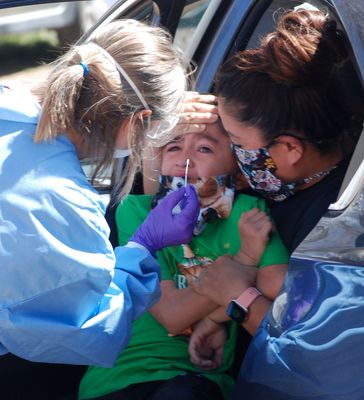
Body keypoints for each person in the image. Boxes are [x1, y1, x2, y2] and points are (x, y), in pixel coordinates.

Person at [0, 19, 200, 397]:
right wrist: (142, 248)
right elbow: (84, 329)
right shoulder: (58, 200)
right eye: (160, 137)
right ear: (138, 122)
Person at [183, 8, 364, 398]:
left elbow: (318, 353)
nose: (232, 155)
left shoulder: (340, 225)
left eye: (238, 142)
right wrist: (219, 318)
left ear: (288, 149)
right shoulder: (268, 188)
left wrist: (240, 299)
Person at [78, 121, 289, 400]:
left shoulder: (249, 213)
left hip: (194, 379)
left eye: (204, 148)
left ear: (238, 172)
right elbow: (172, 316)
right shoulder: (137, 210)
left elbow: (278, 290)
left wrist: (212, 318)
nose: (184, 160)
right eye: (174, 147)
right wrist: (245, 259)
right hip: (117, 377)